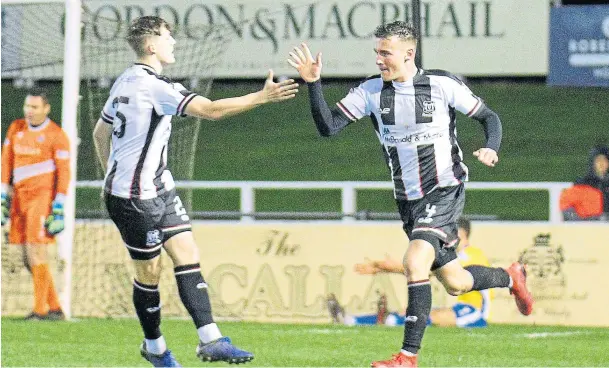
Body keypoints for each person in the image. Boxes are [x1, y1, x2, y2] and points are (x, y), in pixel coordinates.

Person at [287, 21, 533, 368]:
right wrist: (313, 85)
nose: (378, 60)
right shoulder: (371, 92)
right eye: (376, 52)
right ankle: (511, 277)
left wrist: (491, 148)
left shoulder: (440, 85)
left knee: (414, 261)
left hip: (445, 189)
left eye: (385, 53)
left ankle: (407, 357)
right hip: (408, 201)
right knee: (456, 282)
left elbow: (489, 117)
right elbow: (328, 126)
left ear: (408, 53)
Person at [92, 16, 298, 367]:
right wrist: (263, 97)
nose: (174, 43)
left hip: (158, 186)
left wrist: (110, 172)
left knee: (186, 250)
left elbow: (100, 133)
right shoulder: (154, 88)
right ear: (152, 45)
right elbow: (212, 110)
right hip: (134, 199)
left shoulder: (125, 80)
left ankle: (210, 339)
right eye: (168, 37)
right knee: (150, 273)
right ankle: (154, 348)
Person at [1, 89, 69, 321]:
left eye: (35, 107)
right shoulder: (16, 128)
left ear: (46, 108)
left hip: (41, 200)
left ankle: (40, 311)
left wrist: (58, 207)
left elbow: (64, 173)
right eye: (27, 107)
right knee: (25, 257)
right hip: (18, 199)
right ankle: (55, 307)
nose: (29, 112)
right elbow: (6, 161)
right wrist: (2, 196)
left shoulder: (56, 135)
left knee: (36, 252)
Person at [356, 218, 492, 328]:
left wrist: (384, 267)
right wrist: (383, 268)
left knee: (426, 317)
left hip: (475, 313)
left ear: (461, 235)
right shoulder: (461, 255)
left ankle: (392, 321)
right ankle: (356, 320)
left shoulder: (470, 256)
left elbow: (423, 269)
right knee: (413, 313)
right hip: (460, 308)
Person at [560, 145, 609, 221]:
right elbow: (565, 206)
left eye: (605, 160)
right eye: (598, 160)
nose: (602, 163)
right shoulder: (582, 185)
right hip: (587, 229)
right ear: (592, 162)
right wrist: (582, 223)